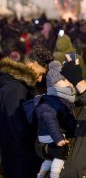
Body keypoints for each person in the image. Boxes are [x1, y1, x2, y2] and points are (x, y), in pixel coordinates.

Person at [0, 44, 54, 178]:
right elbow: (18, 131)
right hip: (20, 162)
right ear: (31, 63)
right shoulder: (16, 89)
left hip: (16, 158)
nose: (41, 79)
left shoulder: (15, 83)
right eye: (41, 73)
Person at [36, 60, 76, 178]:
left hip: (52, 136)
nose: (69, 83)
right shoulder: (52, 100)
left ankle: (41, 174)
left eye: (69, 79)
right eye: (63, 80)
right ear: (53, 83)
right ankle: (54, 174)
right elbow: (50, 119)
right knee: (60, 154)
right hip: (53, 135)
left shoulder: (66, 99)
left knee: (51, 158)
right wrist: (58, 138)